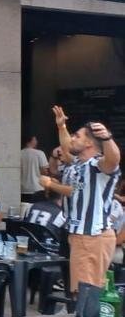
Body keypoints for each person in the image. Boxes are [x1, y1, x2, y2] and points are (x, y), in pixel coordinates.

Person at [39, 106, 121, 291]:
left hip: (91, 235)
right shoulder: (79, 163)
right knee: (81, 288)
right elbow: (68, 149)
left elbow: (114, 160)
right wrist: (62, 127)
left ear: (89, 144)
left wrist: (107, 138)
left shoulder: (98, 165)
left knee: (86, 290)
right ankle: (79, 314)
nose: (72, 139)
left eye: (77, 136)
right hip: (81, 234)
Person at [20, 135, 49, 203]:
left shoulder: (19, 153)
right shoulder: (39, 153)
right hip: (37, 188)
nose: (36, 142)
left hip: (23, 189)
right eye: (35, 140)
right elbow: (44, 171)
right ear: (30, 141)